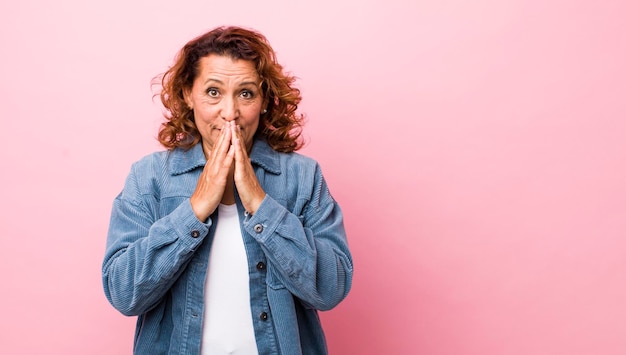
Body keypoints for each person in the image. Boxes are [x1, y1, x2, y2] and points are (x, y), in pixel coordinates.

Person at [102, 26, 353, 355]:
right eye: (213, 92)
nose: (230, 112)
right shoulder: (149, 178)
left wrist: (261, 204)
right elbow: (123, 292)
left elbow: (331, 288)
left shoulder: (302, 177)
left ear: (264, 101)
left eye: (246, 93)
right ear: (188, 95)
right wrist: (194, 211)